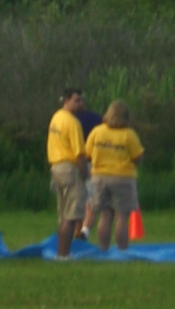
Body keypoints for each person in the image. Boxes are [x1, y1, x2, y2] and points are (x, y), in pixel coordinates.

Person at [85, 100, 144, 252]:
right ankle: (122, 250)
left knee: (104, 216)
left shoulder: (97, 131)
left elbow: (87, 154)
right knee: (122, 217)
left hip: (99, 177)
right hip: (122, 178)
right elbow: (138, 157)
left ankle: (103, 248)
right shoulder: (129, 135)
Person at [46, 88, 90, 258]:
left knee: (63, 214)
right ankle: (64, 255)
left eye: (81, 100)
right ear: (66, 100)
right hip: (70, 169)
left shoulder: (56, 117)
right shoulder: (72, 123)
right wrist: (87, 178)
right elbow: (79, 154)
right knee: (72, 215)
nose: (80, 104)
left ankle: (61, 252)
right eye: (76, 100)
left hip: (56, 167)